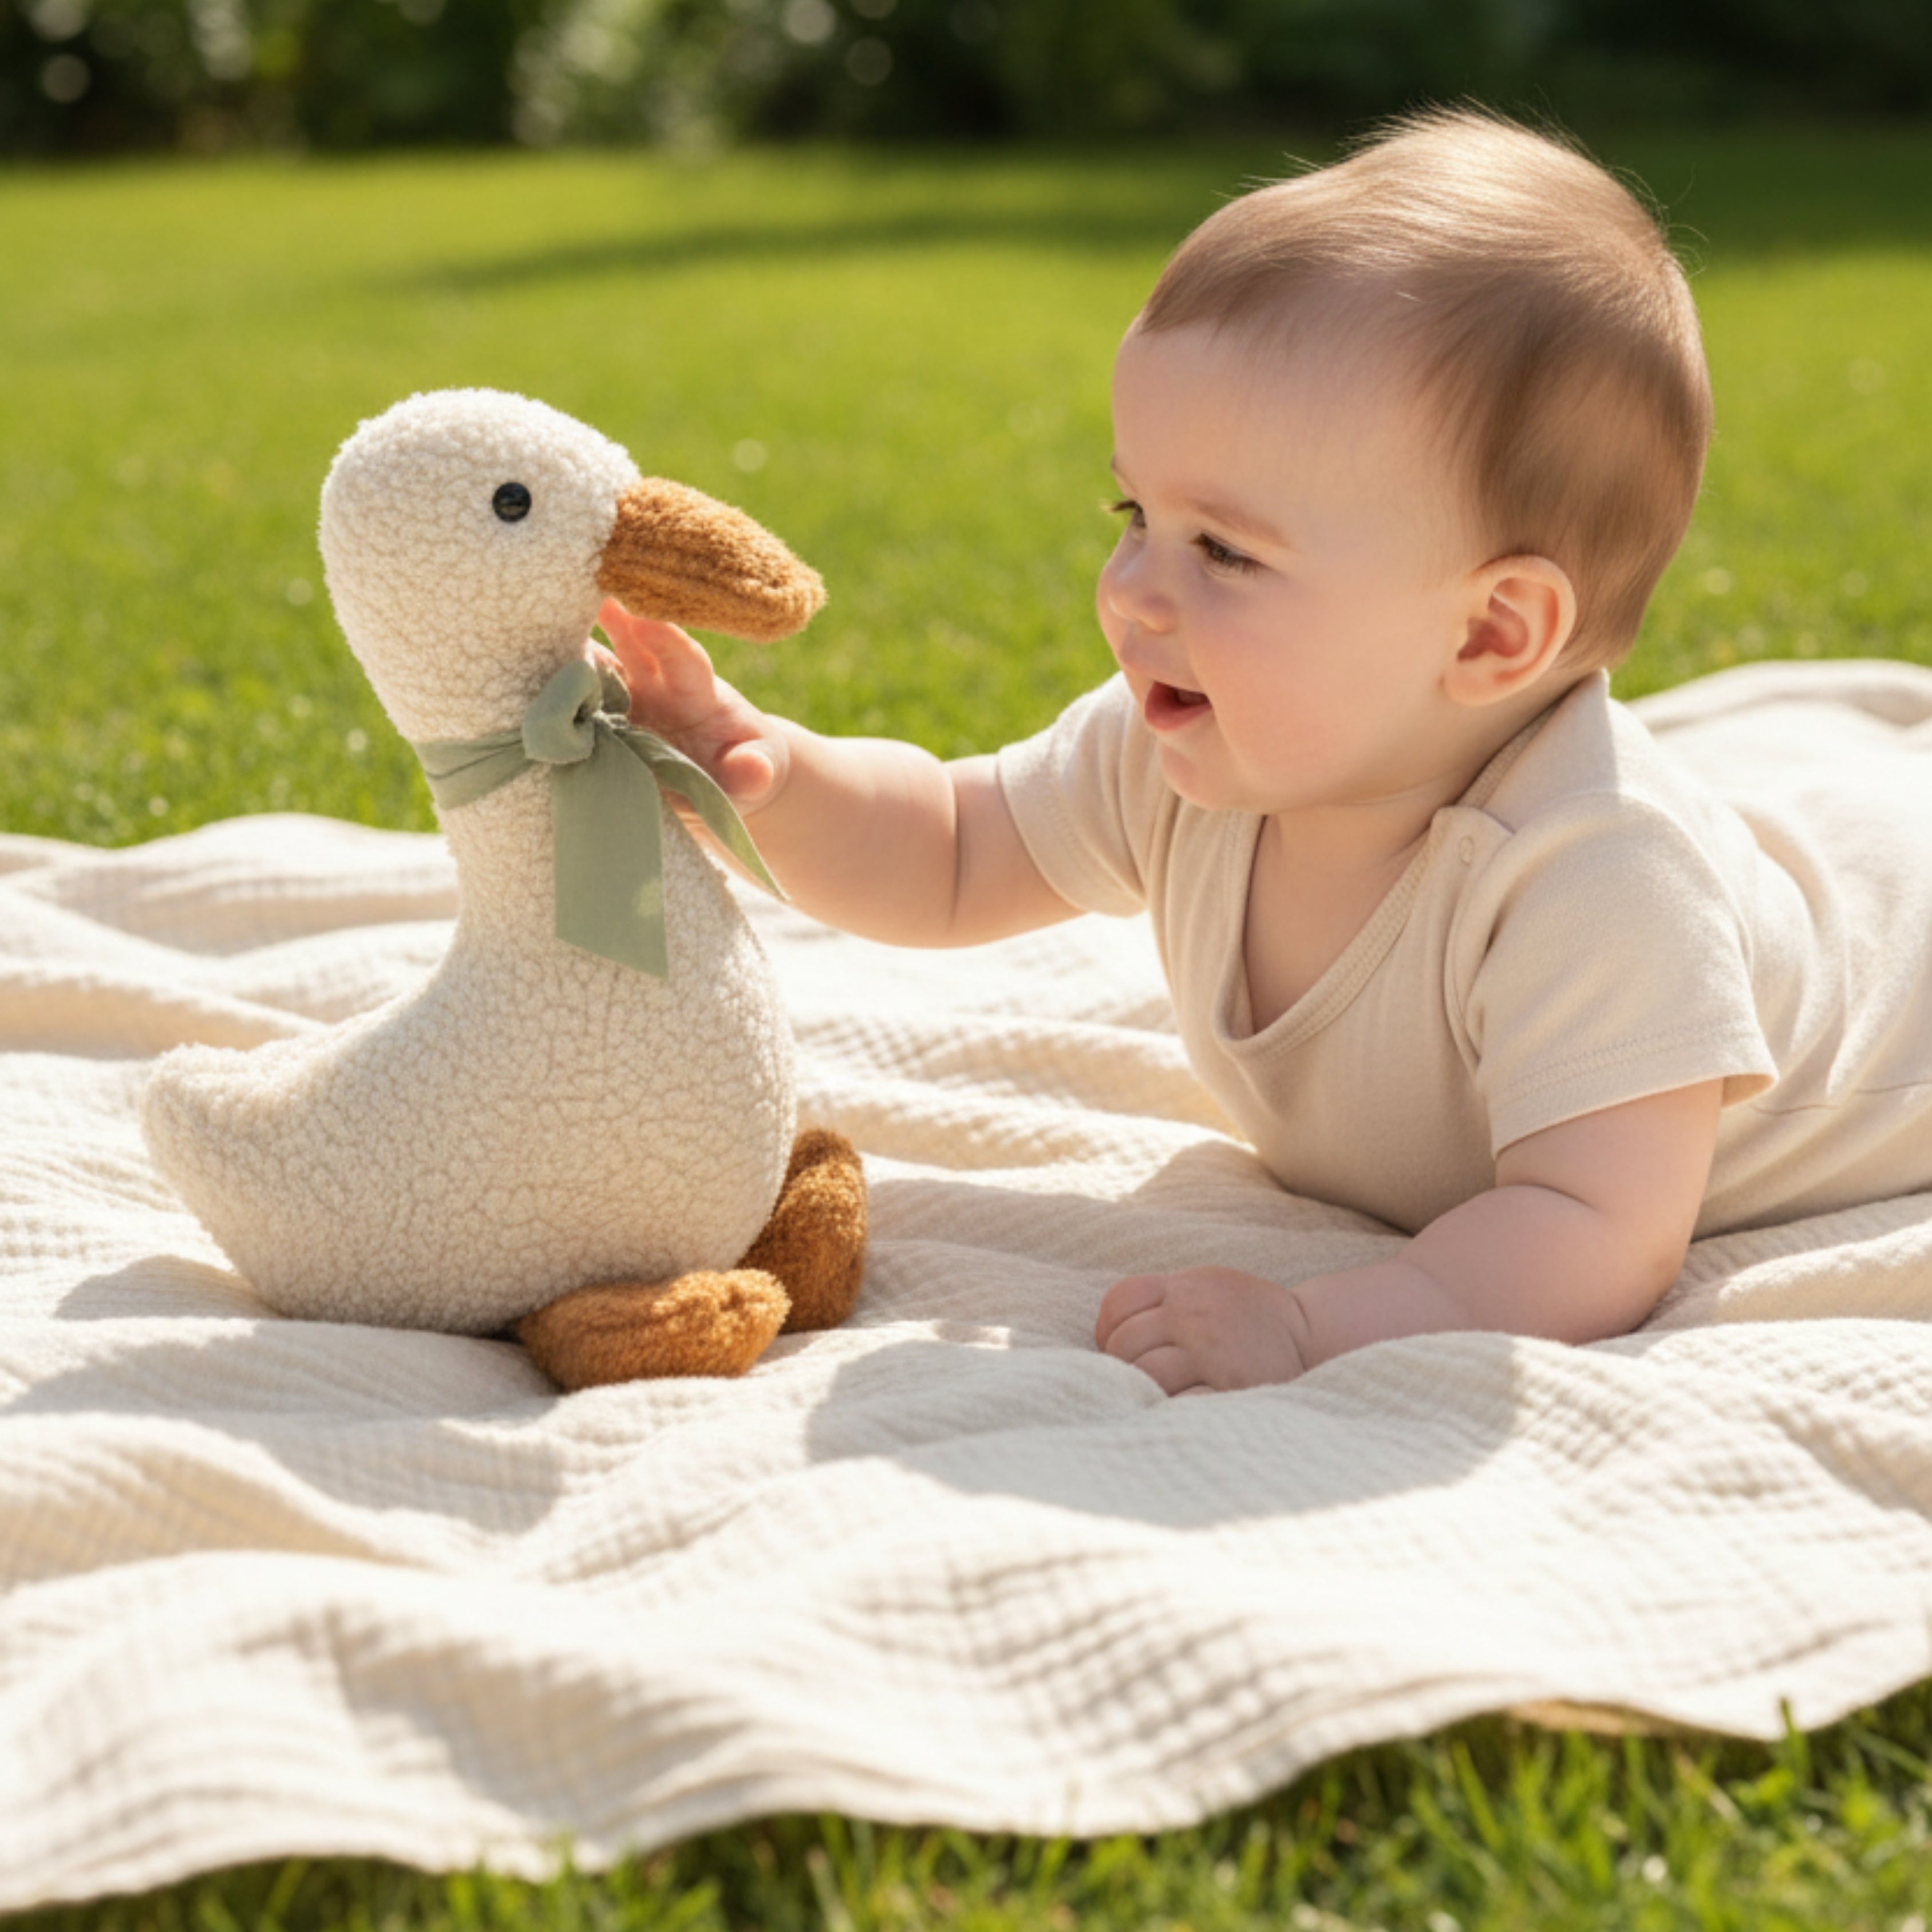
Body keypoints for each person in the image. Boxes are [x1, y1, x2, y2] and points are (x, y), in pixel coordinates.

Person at [597, 106, 1932, 1395]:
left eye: (1224, 550)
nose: (1130, 590)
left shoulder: (1591, 875)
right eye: (1136, 513)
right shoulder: (1195, 753)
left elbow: (1593, 1227)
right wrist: (752, 759)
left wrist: (1313, 1326)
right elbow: (952, 846)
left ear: (1489, 634)